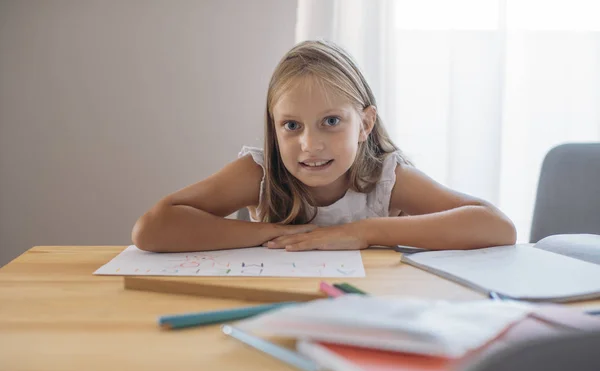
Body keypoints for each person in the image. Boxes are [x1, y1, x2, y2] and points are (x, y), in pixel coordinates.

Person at [132, 40, 516, 253]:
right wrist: (271, 232)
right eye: (291, 125)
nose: (309, 145)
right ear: (274, 128)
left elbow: (497, 227)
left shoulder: (386, 179)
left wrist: (365, 231)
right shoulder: (262, 173)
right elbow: (151, 230)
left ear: (364, 124)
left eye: (330, 122)